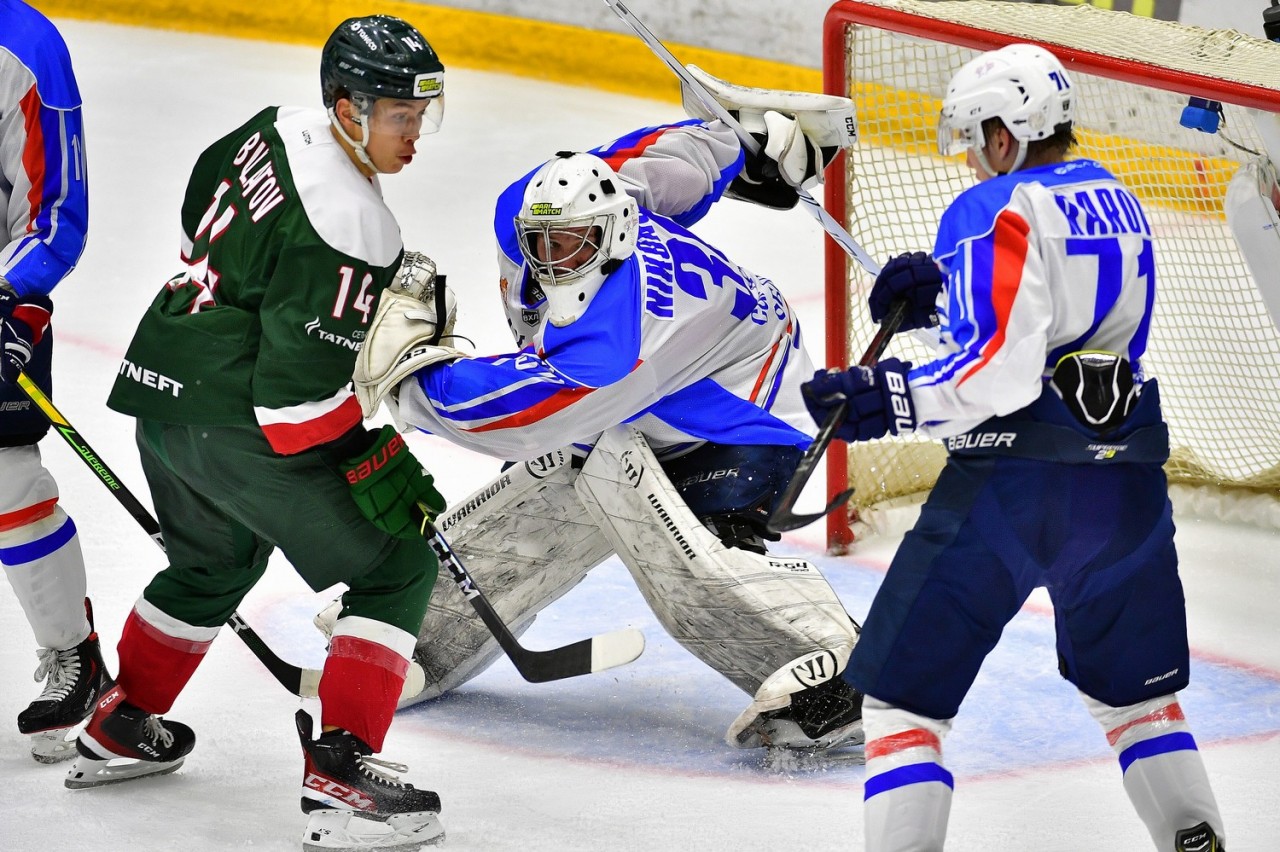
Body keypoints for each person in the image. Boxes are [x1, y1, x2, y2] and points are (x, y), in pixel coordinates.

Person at [348, 71, 871, 755]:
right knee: (582, 468)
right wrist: (737, 144)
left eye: (569, 248)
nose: (548, 262)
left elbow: (521, 415)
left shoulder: (620, 343)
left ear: (615, 238)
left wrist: (413, 381)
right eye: (542, 244)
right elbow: (643, 166)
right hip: (689, 376)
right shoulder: (547, 208)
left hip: (754, 418)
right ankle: (429, 627)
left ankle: (839, 667)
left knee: (653, 525)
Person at [802, 44, 1226, 850]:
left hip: (1013, 492)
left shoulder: (997, 205)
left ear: (1007, 134)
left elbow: (999, 376)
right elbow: (1065, 323)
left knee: (904, 710)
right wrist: (941, 303)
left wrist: (893, 395)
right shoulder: (1122, 199)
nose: (971, 160)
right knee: (1138, 706)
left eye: (976, 140)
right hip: (1126, 485)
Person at [69, 16, 450, 851]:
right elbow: (294, 412)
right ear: (348, 109)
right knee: (398, 566)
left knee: (214, 563)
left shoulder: (271, 127)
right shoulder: (354, 223)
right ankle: (343, 775)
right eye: (399, 115)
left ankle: (121, 724)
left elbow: (196, 222)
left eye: (424, 113)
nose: (416, 132)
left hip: (163, 384)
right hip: (238, 418)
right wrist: (377, 457)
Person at [0, 0, 111, 764]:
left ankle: (76, 660)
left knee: (5, 481)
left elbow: (54, 213)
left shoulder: (25, 46)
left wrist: (11, 297)